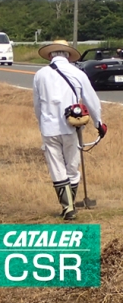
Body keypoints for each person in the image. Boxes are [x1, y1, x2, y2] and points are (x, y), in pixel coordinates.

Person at [33, 40, 106, 221]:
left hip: (49, 128)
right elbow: (92, 100)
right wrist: (99, 123)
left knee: (57, 168)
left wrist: (41, 123)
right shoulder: (77, 73)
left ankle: (68, 207)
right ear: (67, 55)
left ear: (51, 55)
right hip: (71, 126)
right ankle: (70, 206)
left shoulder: (40, 75)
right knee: (72, 167)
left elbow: (37, 105)